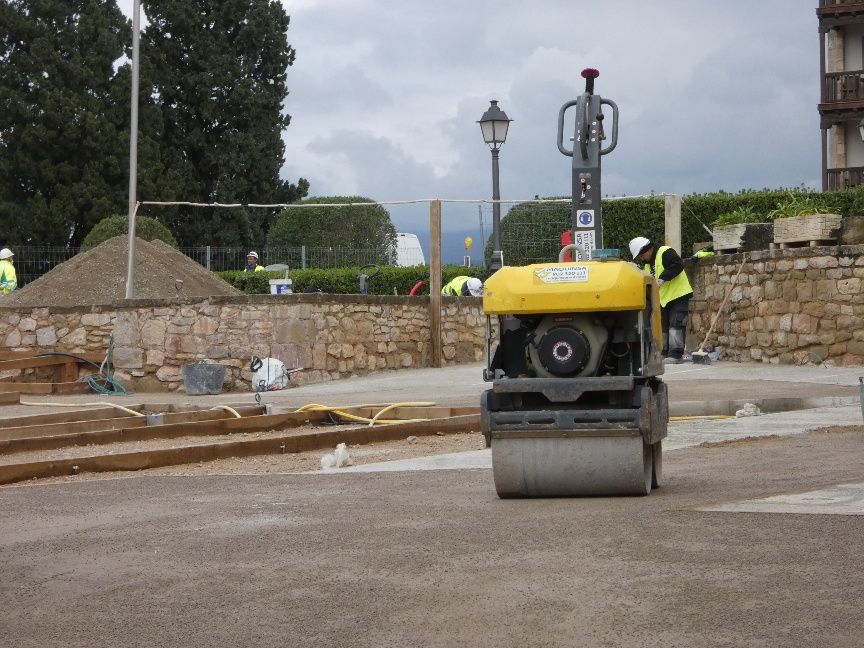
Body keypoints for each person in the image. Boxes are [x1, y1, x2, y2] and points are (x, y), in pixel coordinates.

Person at [628, 237, 693, 364]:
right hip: (664, 299)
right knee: (662, 326)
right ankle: (664, 353)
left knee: (676, 324)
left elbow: (678, 264)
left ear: (647, 250)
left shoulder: (665, 252)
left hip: (678, 295)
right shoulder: (648, 264)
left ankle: (675, 355)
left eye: (641, 256)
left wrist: (663, 278)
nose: (641, 259)